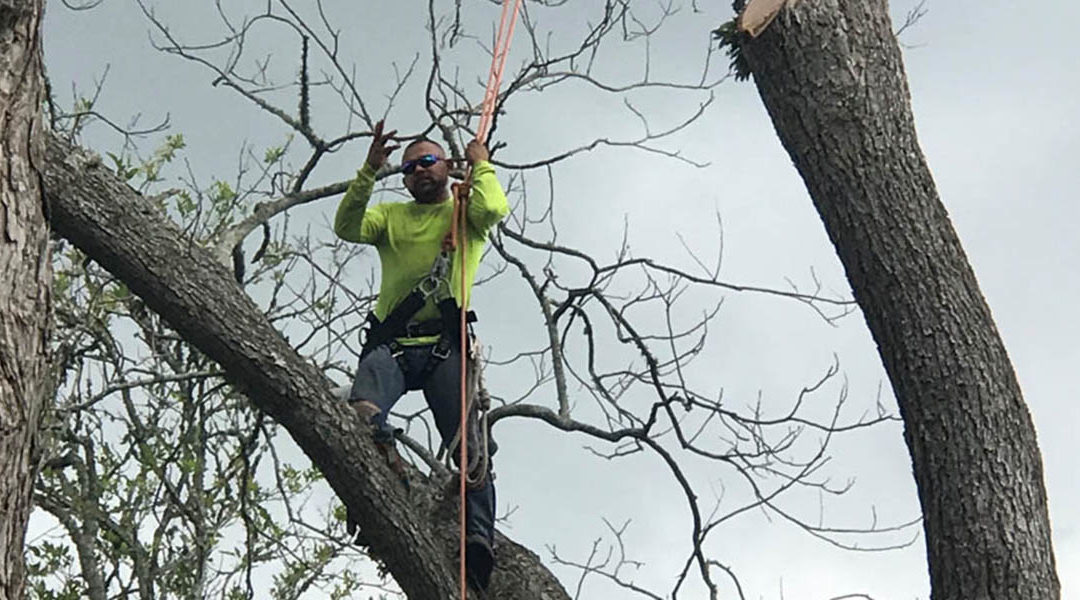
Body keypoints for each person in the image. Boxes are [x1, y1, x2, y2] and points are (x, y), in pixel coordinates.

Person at [333, 120, 508, 590]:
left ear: (446, 167)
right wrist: (370, 172)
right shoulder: (391, 216)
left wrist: (481, 163)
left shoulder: (466, 213)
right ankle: (382, 478)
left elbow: (496, 206)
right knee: (360, 409)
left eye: (427, 162)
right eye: (409, 169)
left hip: (444, 346)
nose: (418, 173)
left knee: (470, 448)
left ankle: (477, 538)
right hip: (393, 343)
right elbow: (346, 225)